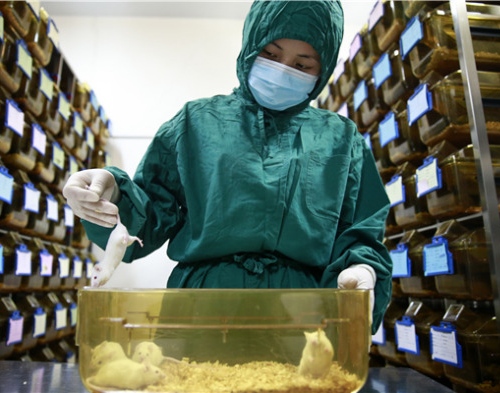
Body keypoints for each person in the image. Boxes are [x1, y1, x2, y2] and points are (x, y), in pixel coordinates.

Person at [63, 0, 392, 334]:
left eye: (302, 65)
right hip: (201, 310)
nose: (282, 71)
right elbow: (147, 222)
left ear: (323, 71)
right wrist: (112, 193)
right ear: (250, 46)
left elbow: (361, 230)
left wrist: (361, 270)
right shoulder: (195, 123)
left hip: (299, 317)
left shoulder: (340, 139)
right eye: (271, 54)